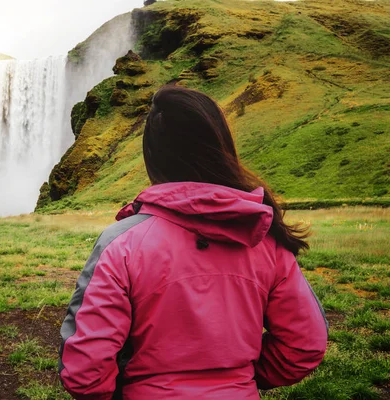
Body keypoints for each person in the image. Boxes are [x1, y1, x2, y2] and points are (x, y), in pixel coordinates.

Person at [58, 85, 328, 399]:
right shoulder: (265, 240)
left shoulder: (120, 244)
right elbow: (305, 344)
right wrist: (242, 379)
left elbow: (84, 372)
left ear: (153, 156)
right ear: (222, 147)